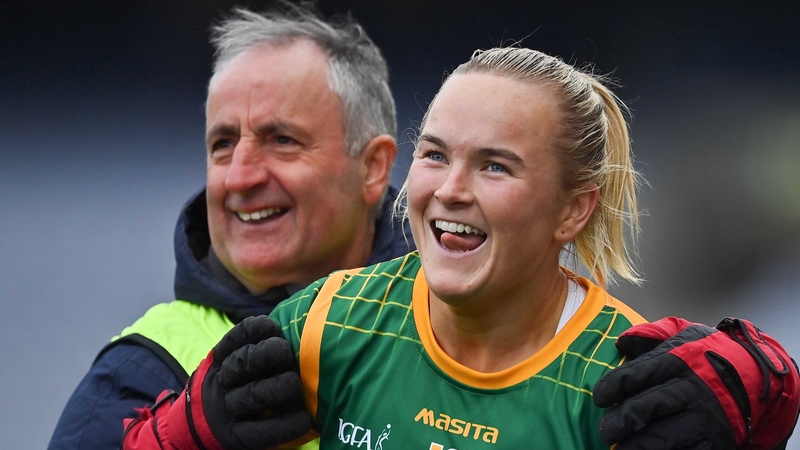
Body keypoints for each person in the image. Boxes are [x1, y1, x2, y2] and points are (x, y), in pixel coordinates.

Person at [119, 45, 800, 449]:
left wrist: (770, 405)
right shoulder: (330, 323)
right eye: (435, 155)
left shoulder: (624, 386)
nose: (449, 190)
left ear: (572, 210)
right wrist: (186, 434)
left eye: (495, 166)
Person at [47, 4, 409, 450]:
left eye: (281, 140)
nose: (239, 177)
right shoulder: (141, 370)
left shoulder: (466, 329)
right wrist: (178, 441)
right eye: (223, 144)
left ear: (372, 167)